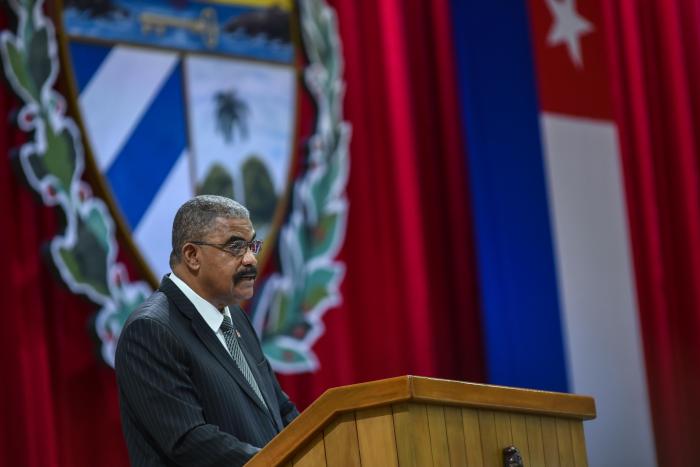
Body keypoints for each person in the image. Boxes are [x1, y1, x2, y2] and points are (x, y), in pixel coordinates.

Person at [115, 195, 299, 467]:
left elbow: (279, 409)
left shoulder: (234, 315)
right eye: (236, 247)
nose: (251, 260)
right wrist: (278, 462)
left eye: (252, 246)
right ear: (192, 255)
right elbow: (190, 441)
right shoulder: (150, 330)